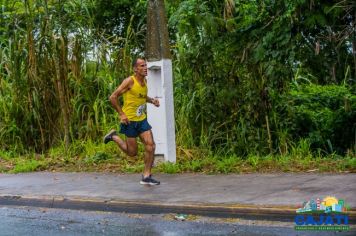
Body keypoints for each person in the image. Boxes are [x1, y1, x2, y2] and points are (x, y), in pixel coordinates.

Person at [103, 58, 160, 185]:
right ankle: (114, 137)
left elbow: (142, 96)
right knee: (132, 153)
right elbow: (112, 97)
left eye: (146, 65)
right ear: (135, 69)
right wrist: (121, 114)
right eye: (142, 66)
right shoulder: (129, 81)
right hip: (129, 121)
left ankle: (146, 176)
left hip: (141, 120)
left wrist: (152, 101)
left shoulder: (144, 82)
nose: (145, 68)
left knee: (151, 146)